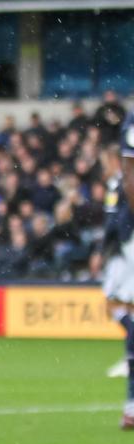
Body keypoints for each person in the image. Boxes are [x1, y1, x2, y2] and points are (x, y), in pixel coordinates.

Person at [100, 144, 134, 389]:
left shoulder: (118, 182)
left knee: (115, 305)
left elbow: (114, 220)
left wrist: (105, 248)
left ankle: (130, 354)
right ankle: (129, 353)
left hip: (122, 249)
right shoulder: (120, 181)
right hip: (122, 246)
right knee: (121, 305)